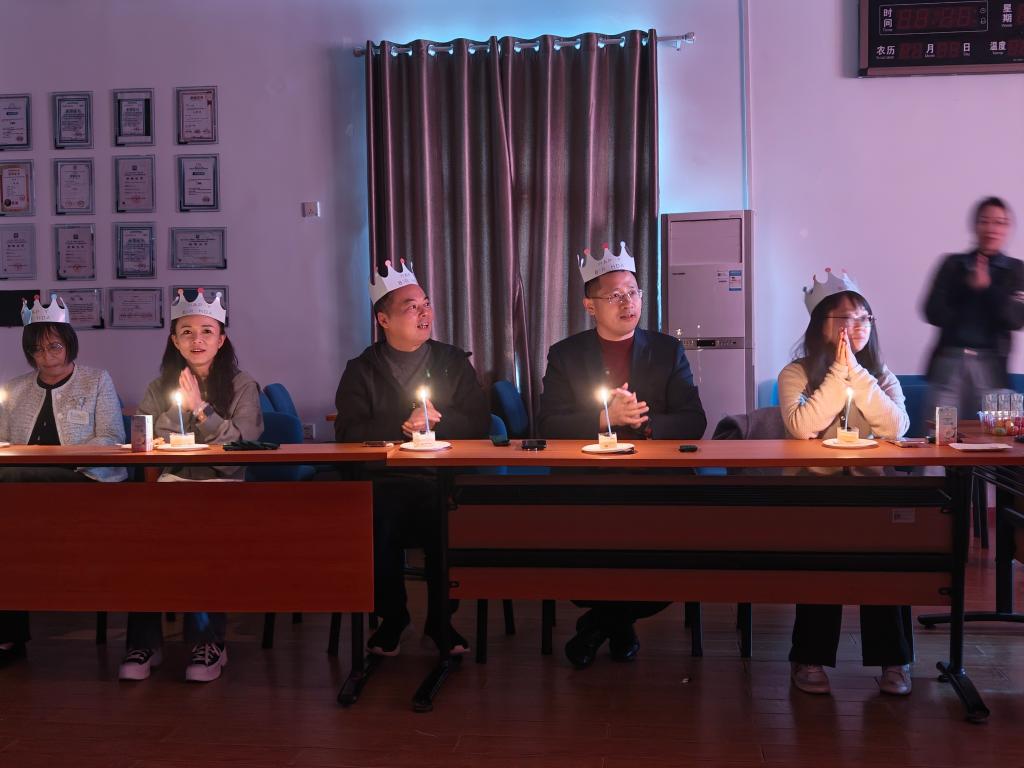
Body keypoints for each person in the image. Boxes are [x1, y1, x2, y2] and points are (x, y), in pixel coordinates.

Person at [537, 241, 706, 669]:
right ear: (589, 306)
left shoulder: (667, 350)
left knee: (672, 562)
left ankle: (600, 625)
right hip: (587, 481)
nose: (628, 302)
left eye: (633, 292)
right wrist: (603, 418)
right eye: (614, 295)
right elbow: (547, 425)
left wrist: (646, 425)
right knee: (586, 554)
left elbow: (694, 419)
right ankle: (615, 622)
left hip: (655, 482)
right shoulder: (565, 354)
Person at [335, 259, 489, 656]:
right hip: (386, 479)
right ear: (383, 320)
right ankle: (393, 618)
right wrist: (402, 425)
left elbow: (479, 422)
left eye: (426, 304)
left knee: (447, 520)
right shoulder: (362, 369)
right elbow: (347, 433)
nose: (424, 313)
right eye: (411, 307)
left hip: (443, 476)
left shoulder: (452, 361)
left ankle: (441, 621)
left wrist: (440, 421)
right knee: (378, 520)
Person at [779, 268, 913, 696]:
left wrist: (857, 373)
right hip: (814, 491)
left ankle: (894, 659)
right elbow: (802, 426)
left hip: (872, 490)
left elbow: (897, 426)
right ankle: (809, 655)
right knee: (822, 555)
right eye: (844, 319)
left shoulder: (881, 374)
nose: (855, 327)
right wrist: (840, 372)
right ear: (820, 325)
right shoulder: (795, 373)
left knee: (886, 557)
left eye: (863, 318)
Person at [119, 289, 262, 683]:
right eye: (186, 332)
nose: (196, 340)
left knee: (203, 544)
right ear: (174, 340)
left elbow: (242, 445)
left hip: (223, 488)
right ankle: (145, 643)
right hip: (171, 484)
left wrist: (201, 409)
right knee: (142, 544)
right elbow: (144, 438)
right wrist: (178, 410)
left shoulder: (243, 385)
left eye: (206, 331)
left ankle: (208, 642)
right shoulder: (158, 386)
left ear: (221, 339)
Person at [0, 294, 126, 668]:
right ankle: (8, 636)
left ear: (69, 343)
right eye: (37, 349)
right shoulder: (16, 388)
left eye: (54, 346)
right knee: (7, 545)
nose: (47, 356)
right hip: (22, 491)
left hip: (81, 482)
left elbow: (112, 437)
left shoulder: (96, 380)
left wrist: (66, 458)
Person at [923, 197, 1024, 416]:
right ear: (975, 226)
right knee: (940, 433)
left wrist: (987, 288)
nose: (991, 228)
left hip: (994, 368)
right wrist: (966, 287)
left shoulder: (1016, 270)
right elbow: (932, 312)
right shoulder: (952, 265)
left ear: (1008, 229)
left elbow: (1015, 320)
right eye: (985, 221)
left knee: (1001, 434)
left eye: (999, 222)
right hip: (949, 362)